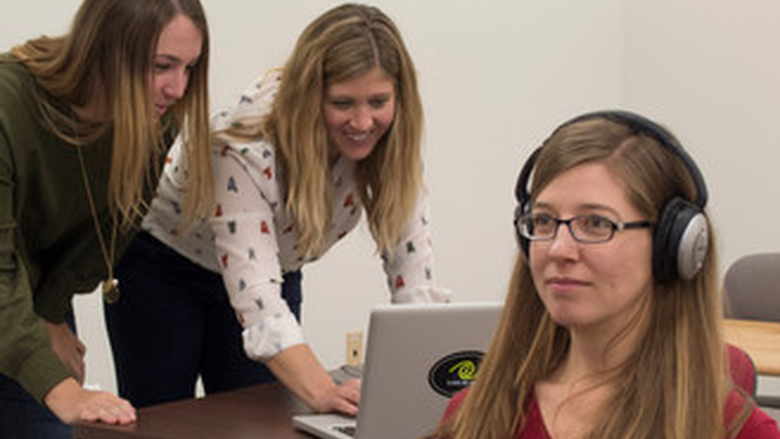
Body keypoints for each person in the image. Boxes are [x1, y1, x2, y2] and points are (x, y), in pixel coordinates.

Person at [105, 2, 450, 416]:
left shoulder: (394, 145)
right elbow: (259, 303)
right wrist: (324, 392)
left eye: (378, 101)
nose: (362, 121)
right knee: (160, 418)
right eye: (342, 103)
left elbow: (414, 285)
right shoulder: (242, 144)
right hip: (165, 265)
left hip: (271, 266)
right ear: (310, 96)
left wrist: (424, 383)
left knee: (257, 419)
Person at [427, 111, 780, 439]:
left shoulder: (733, 429)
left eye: (596, 223)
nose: (558, 248)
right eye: (544, 221)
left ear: (670, 247)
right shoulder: (478, 415)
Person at [0, 0, 212, 437]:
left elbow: (109, 233)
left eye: (189, 67)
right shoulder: (9, 104)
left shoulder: (156, 123)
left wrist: (50, 315)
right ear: (103, 49)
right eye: (162, 66)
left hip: (32, 306)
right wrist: (65, 392)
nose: (177, 88)